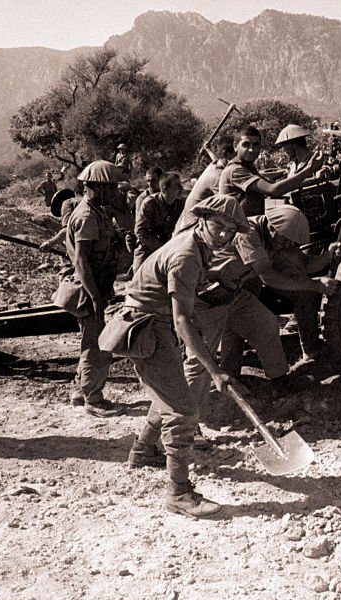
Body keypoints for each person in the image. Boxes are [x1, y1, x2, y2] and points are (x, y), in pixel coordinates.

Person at [115, 194, 250, 517]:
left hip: (156, 322)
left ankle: (144, 450)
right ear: (202, 220)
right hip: (149, 327)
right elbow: (182, 319)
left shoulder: (197, 245)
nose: (222, 235)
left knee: (169, 392)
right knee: (184, 409)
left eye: (229, 231)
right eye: (217, 226)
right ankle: (178, 494)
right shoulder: (188, 254)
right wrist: (215, 370)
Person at [217, 204, 340, 373]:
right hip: (220, 288)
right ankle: (230, 375)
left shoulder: (276, 237)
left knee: (305, 292)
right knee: (241, 321)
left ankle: (312, 350)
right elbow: (267, 276)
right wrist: (316, 284)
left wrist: (327, 256)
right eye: (285, 240)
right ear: (271, 227)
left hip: (248, 281)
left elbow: (304, 264)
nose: (287, 244)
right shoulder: (247, 233)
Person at [63, 160, 126, 417]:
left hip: (98, 286)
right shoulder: (88, 216)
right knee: (97, 345)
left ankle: (81, 390)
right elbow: (81, 261)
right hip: (91, 289)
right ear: (97, 188)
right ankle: (94, 399)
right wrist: (96, 297)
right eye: (111, 188)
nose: (115, 193)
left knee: (91, 341)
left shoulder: (97, 211)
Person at [219, 125, 323, 217]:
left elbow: (277, 185)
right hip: (238, 230)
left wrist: (315, 179)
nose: (251, 149)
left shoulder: (247, 167)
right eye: (246, 145)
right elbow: (273, 190)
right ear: (235, 146)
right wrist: (309, 170)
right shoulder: (236, 170)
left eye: (256, 145)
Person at [133, 172, 183, 271]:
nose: (181, 189)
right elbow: (140, 232)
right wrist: (162, 248)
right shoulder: (149, 203)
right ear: (165, 189)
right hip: (149, 247)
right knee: (139, 276)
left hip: (172, 245)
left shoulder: (181, 203)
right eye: (177, 186)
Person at [180, 142, 236, 219]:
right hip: (194, 222)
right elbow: (230, 205)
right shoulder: (218, 177)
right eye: (236, 156)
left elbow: (218, 160)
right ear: (226, 155)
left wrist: (208, 149)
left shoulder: (216, 164)